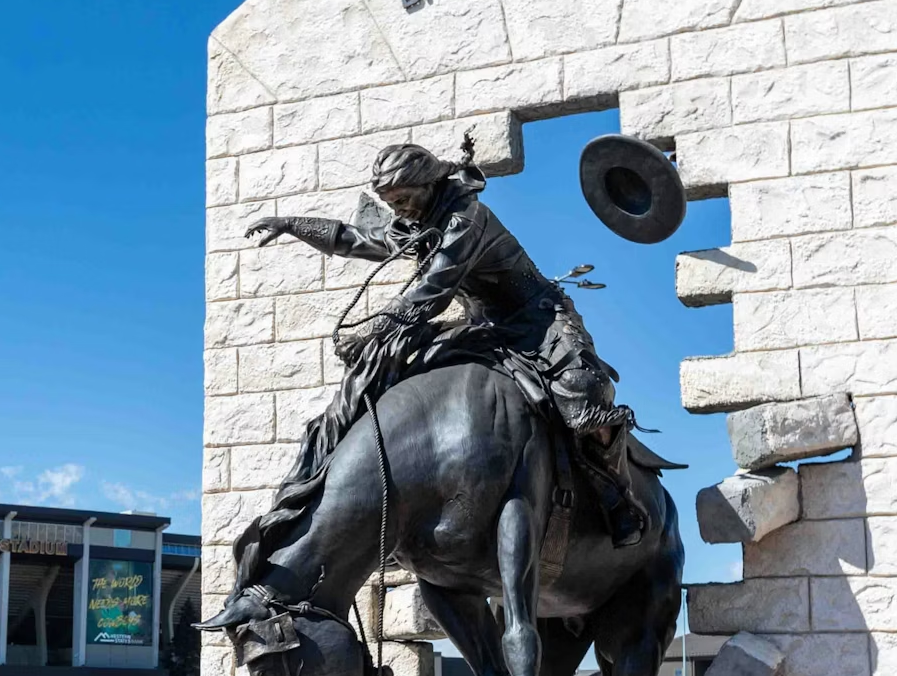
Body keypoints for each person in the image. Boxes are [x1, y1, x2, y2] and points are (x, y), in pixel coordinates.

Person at [242, 140, 649, 547]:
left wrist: (370, 333)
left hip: (537, 319)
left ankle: (619, 499)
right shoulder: (416, 220)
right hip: (484, 324)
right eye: (390, 202)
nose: (397, 208)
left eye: (402, 198)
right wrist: (291, 224)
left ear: (429, 184)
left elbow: (432, 291)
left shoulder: (463, 220)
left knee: (583, 391)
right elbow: (355, 239)